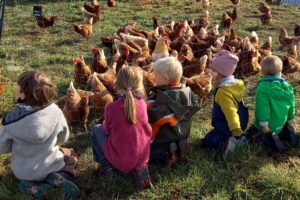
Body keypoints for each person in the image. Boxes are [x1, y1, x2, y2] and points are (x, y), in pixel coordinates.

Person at [0, 70, 79, 199]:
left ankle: (31, 186)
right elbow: (63, 137)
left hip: (23, 171)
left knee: (25, 176)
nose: (16, 86)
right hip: (52, 165)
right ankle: (60, 178)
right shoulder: (55, 111)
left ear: (23, 94)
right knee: (70, 155)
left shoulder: (12, 121)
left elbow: (2, 147)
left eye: (18, 85)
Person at [91, 67, 152, 190]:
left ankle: (106, 165)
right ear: (139, 85)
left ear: (117, 85)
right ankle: (138, 168)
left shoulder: (111, 107)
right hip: (143, 156)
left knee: (96, 129)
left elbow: (106, 130)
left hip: (122, 159)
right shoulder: (143, 104)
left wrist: (106, 124)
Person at [148, 57, 199, 165]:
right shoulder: (188, 92)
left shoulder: (162, 97)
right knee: (177, 138)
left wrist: (147, 104)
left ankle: (166, 151)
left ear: (165, 78)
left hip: (164, 136)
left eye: (156, 76)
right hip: (182, 132)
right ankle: (181, 144)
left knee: (150, 153)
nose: (154, 78)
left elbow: (154, 116)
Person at [245, 55, 298, 152]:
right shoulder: (288, 87)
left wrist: (264, 125)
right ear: (281, 70)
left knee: (250, 135)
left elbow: (262, 108)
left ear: (262, 73)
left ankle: (266, 140)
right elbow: (291, 105)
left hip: (267, 127)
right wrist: (290, 118)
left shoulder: (263, 88)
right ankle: (285, 135)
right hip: (281, 123)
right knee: (280, 127)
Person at [201, 50, 249, 156]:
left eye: (212, 71)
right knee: (210, 136)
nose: (209, 73)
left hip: (228, 125)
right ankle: (238, 138)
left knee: (208, 141)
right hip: (241, 122)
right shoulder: (234, 85)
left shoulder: (223, 92)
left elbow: (230, 112)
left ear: (218, 73)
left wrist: (236, 130)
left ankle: (228, 143)